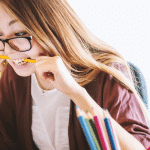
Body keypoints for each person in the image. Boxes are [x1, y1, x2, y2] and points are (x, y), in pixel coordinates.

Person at [0, 0, 149, 149]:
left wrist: (75, 92)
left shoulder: (106, 74)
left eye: (20, 33)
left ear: (51, 26)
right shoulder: (13, 77)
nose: (8, 51)